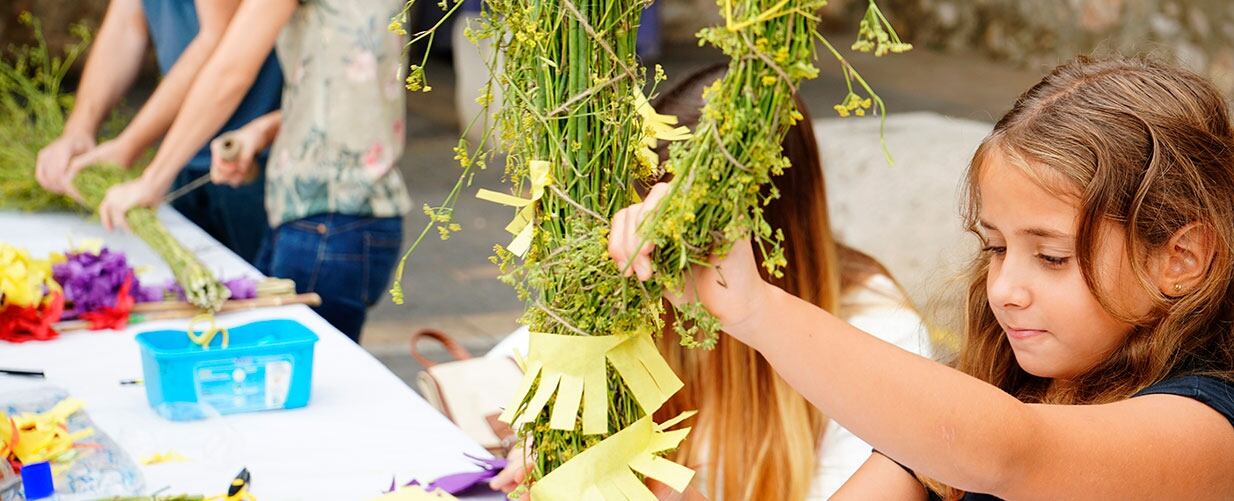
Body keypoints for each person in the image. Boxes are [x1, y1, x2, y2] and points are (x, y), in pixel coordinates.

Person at [610, 56, 1234, 499]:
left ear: (1181, 258)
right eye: (993, 248)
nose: (1005, 290)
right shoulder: (995, 386)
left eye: (1052, 258)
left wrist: (754, 309)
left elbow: (1008, 453)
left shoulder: (1209, 427)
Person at [487, 65, 935, 500]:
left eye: (674, 236)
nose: (653, 256)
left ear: (763, 232)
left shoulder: (880, 334)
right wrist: (546, 440)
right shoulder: (640, 280)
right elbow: (515, 369)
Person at [91, 0, 413, 342]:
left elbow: (231, 71)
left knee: (294, 381)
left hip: (322, 223)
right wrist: (264, 130)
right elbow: (348, 82)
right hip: (362, 217)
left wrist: (152, 180)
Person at [35, 0, 282, 265]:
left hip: (248, 158)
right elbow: (126, 25)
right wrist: (79, 129)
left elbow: (220, 43)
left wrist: (131, 150)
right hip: (184, 153)